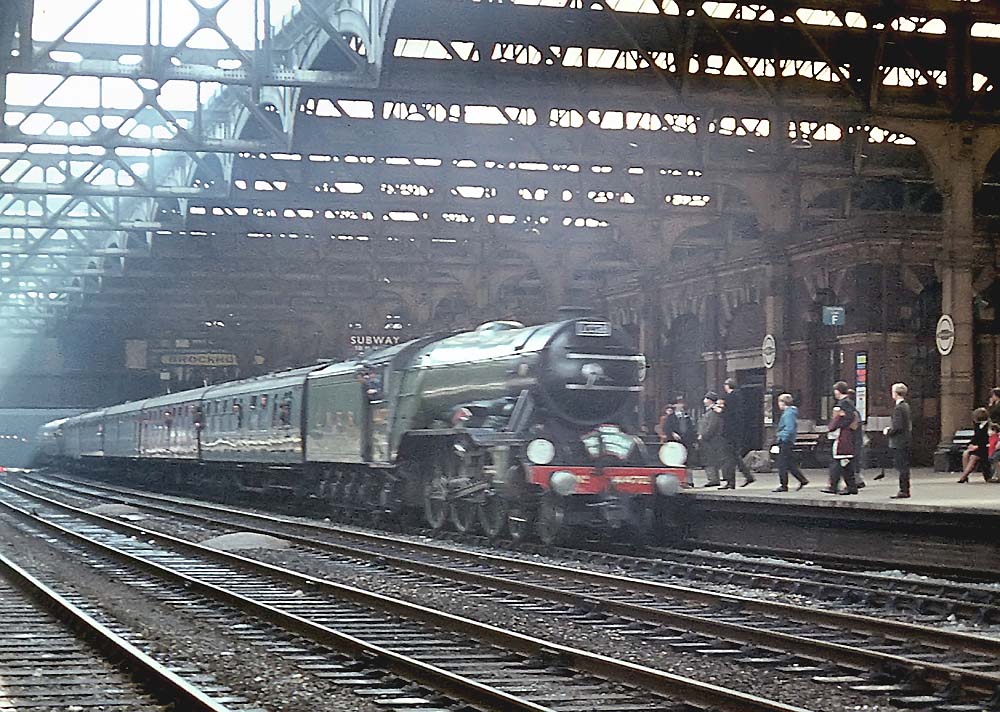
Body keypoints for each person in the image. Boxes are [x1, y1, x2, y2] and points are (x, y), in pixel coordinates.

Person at [822, 381, 859, 495]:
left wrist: (837, 425)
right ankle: (850, 486)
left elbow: (848, 417)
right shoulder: (846, 402)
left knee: (838, 462)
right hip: (844, 436)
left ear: (838, 391)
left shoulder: (844, 403)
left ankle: (835, 486)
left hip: (843, 436)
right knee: (844, 463)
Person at [721, 378, 755, 487]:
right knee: (735, 456)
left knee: (730, 457)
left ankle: (731, 482)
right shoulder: (739, 397)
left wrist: (720, 411)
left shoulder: (730, 397)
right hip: (737, 431)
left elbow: (728, 414)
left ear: (728, 385)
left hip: (730, 431)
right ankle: (747, 477)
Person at [773, 393, 808, 492]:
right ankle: (802, 479)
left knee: (782, 463)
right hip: (788, 440)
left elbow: (789, 428)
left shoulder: (788, 413)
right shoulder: (790, 412)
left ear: (783, 402)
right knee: (789, 463)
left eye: (779, 402)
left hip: (785, 441)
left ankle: (783, 485)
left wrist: (781, 436)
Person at [883, 382, 912, 499]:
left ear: (895, 393)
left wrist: (888, 431)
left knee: (902, 466)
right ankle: (905, 489)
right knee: (903, 466)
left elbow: (898, 426)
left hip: (900, 441)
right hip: (905, 440)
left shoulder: (899, 408)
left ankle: (903, 490)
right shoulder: (906, 406)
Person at [696, 392, 723, 487]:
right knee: (707, 458)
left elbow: (712, 426)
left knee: (710, 459)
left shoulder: (713, 412)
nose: (704, 401)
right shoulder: (709, 411)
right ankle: (712, 478)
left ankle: (713, 479)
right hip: (707, 439)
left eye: (706, 399)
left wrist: (703, 435)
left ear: (710, 400)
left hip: (710, 440)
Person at [958, 407, 991, 483]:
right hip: (977, 447)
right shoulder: (977, 425)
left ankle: (963, 476)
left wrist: (977, 446)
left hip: (985, 448)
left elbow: (988, 439)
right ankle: (965, 476)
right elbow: (975, 438)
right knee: (965, 453)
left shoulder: (989, 426)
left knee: (973, 457)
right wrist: (970, 444)